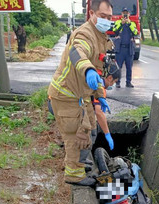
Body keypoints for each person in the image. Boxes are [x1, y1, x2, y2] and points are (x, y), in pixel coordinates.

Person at [47, 0, 115, 186]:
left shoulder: (101, 37)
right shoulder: (85, 34)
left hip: (81, 95)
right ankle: (73, 174)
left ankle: (80, 163)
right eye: (102, 16)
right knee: (77, 136)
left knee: (91, 131)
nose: (107, 20)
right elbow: (78, 52)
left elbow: (99, 72)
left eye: (109, 17)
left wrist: (100, 94)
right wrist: (88, 70)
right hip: (66, 95)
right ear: (92, 14)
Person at [112, 7, 138, 88]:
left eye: (126, 13)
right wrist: (121, 24)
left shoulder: (132, 23)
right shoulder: (118, 22)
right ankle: (117, 82)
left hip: (129, 49)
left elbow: (135, 32)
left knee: (129, 67)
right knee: (118, 66)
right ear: (122, 14)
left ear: (129, 14)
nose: (125, 15)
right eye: (124, 13)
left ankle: (128, 82)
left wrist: (129, 24)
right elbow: (114, 30)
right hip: (120, 49)